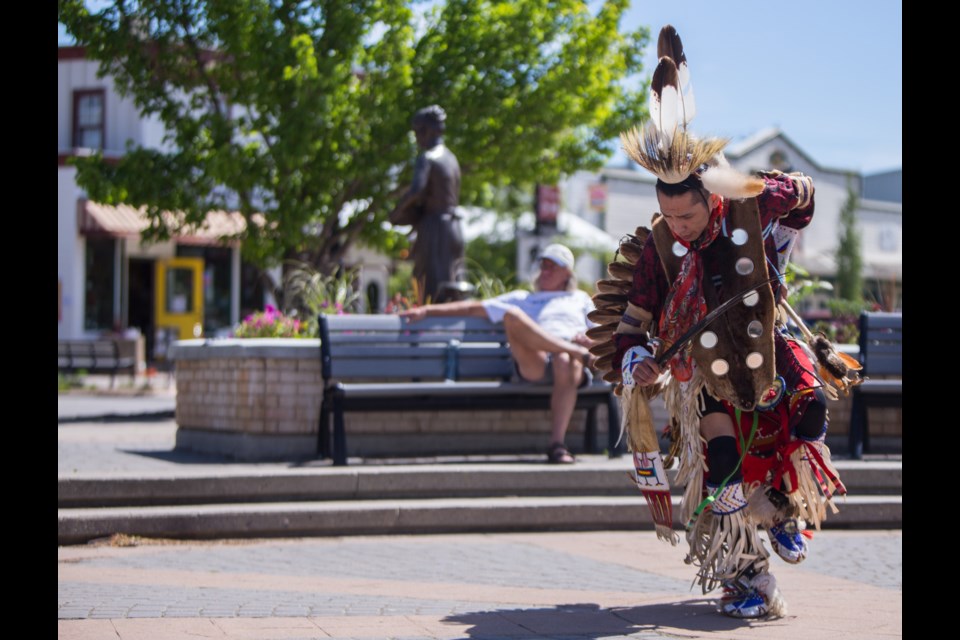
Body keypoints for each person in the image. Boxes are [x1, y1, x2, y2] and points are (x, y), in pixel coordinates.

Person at [591, 25, 848, 620]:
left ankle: (786, 509)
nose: (677, 224)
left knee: (806, 419)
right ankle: (747, 582)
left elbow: (806, 199)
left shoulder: (749, 213)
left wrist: (761, 188)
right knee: (723, 479)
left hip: (769, 348)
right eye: (666, 214)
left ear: (710, 197)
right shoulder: (660, 250)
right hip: (703, 376)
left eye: (686, 213)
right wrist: (639, 359)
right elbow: (630, 327)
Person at [400, 243, 594, 464]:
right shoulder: (524, 298)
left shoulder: (580, 299)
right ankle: (570, 349)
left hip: (569, 364)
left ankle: (557, 445)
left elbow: (604, 333)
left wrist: (589, 342)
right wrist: (427, 310)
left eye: (552, 266)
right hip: (536, 362)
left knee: (564, 359)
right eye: (543, 265)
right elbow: (471, 308)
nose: (545, 271)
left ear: (567, 273)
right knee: (512, 315)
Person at [389, 105, 465, 304]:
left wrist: (397, 212)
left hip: (435, 230)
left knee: (429, 290)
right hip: (454, 228)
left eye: (418, 132)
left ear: (427, 130)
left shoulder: (428, 157)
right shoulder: (452, 159)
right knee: (451, 289)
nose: (417, 138)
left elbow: (417, 190)